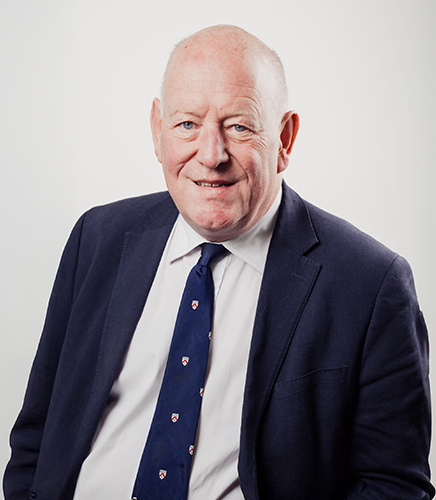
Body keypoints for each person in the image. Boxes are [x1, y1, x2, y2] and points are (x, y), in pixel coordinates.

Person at [3, 24, 433, 500]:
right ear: (158, 130)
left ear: (284, 139)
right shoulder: (98, 238)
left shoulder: (370, 285)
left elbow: (394, 485)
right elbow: (37, 435)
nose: (211, 156)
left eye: (239, 126)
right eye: (187, 124)